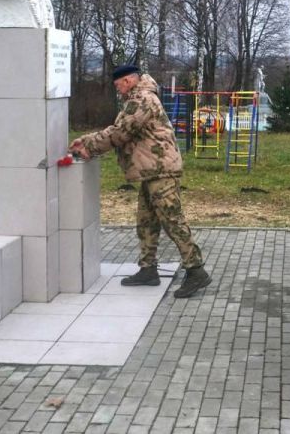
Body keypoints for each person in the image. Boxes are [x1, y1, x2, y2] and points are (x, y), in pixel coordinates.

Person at [69, 65, 212, 299]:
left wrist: (90, 147)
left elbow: (122, 132)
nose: (117, 90)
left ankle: (196, 271)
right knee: (146, 222)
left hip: (161, 170)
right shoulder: (138, 98)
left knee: (172, 220)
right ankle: (148, 270)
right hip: (151, 171)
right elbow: (118, 128)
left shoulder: (143, 99)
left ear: (128, 81)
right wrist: (86, 140)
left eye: (118, 85)